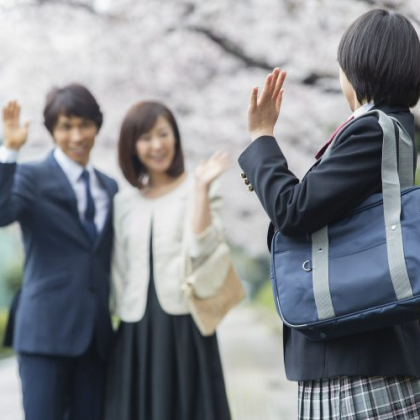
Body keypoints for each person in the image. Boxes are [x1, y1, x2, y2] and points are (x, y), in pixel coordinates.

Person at [238, 9, 420, 420]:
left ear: (355, 69)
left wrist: (262, 138)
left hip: (356, 360)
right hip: (364, 353)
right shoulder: (392, 128)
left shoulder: (371, 130)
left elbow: (295, 210)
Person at [105, 101, 231, 420]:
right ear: (132, 147)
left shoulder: (200, 186)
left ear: (175, 137)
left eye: (164, 134)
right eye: (145, 137)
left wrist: (201, 189)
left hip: (184, 323)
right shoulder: (123, 202)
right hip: (134, 328)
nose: (157, 145)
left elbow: (201, 249)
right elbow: (117, 269)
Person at [0, 84, 118, 420]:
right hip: (44, 335)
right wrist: (8, 152)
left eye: (85, 125)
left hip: (95, 340)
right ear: (52, 130)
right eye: (66, 127)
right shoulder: (30, 176)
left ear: (97, 126)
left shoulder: (109, 186)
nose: (77, 136)